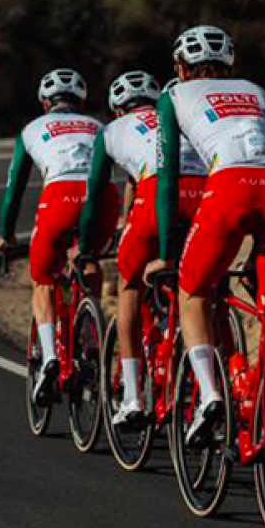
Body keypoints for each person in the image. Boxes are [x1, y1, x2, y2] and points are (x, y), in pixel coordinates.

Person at [142, 25, 265, 443]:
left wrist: (163, 250)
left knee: (191, 291)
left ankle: (211, 394)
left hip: (230, 185)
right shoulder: (257, 91)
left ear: (180, 67)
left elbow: (167, 178)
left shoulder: (172, 95)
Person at [80, 70, 209, 428]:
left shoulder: (111, 132)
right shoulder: (176, 115)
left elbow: (95, 197)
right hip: (203, 193)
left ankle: (134, 398)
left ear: (117, 109)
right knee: (201, 286)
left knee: (130, 286)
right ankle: (215, 380)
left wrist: (89, 247)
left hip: (157, 195)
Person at [0, 68, 120, 406]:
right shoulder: (99, 126)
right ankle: (89, 336)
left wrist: (6, 236)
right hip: (104, 196)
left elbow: (14, 191)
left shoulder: (30, 129)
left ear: (44, 102)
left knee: (44, 280)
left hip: (60, 195)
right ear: (80, 102)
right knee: (88, 258)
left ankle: (50, 354)